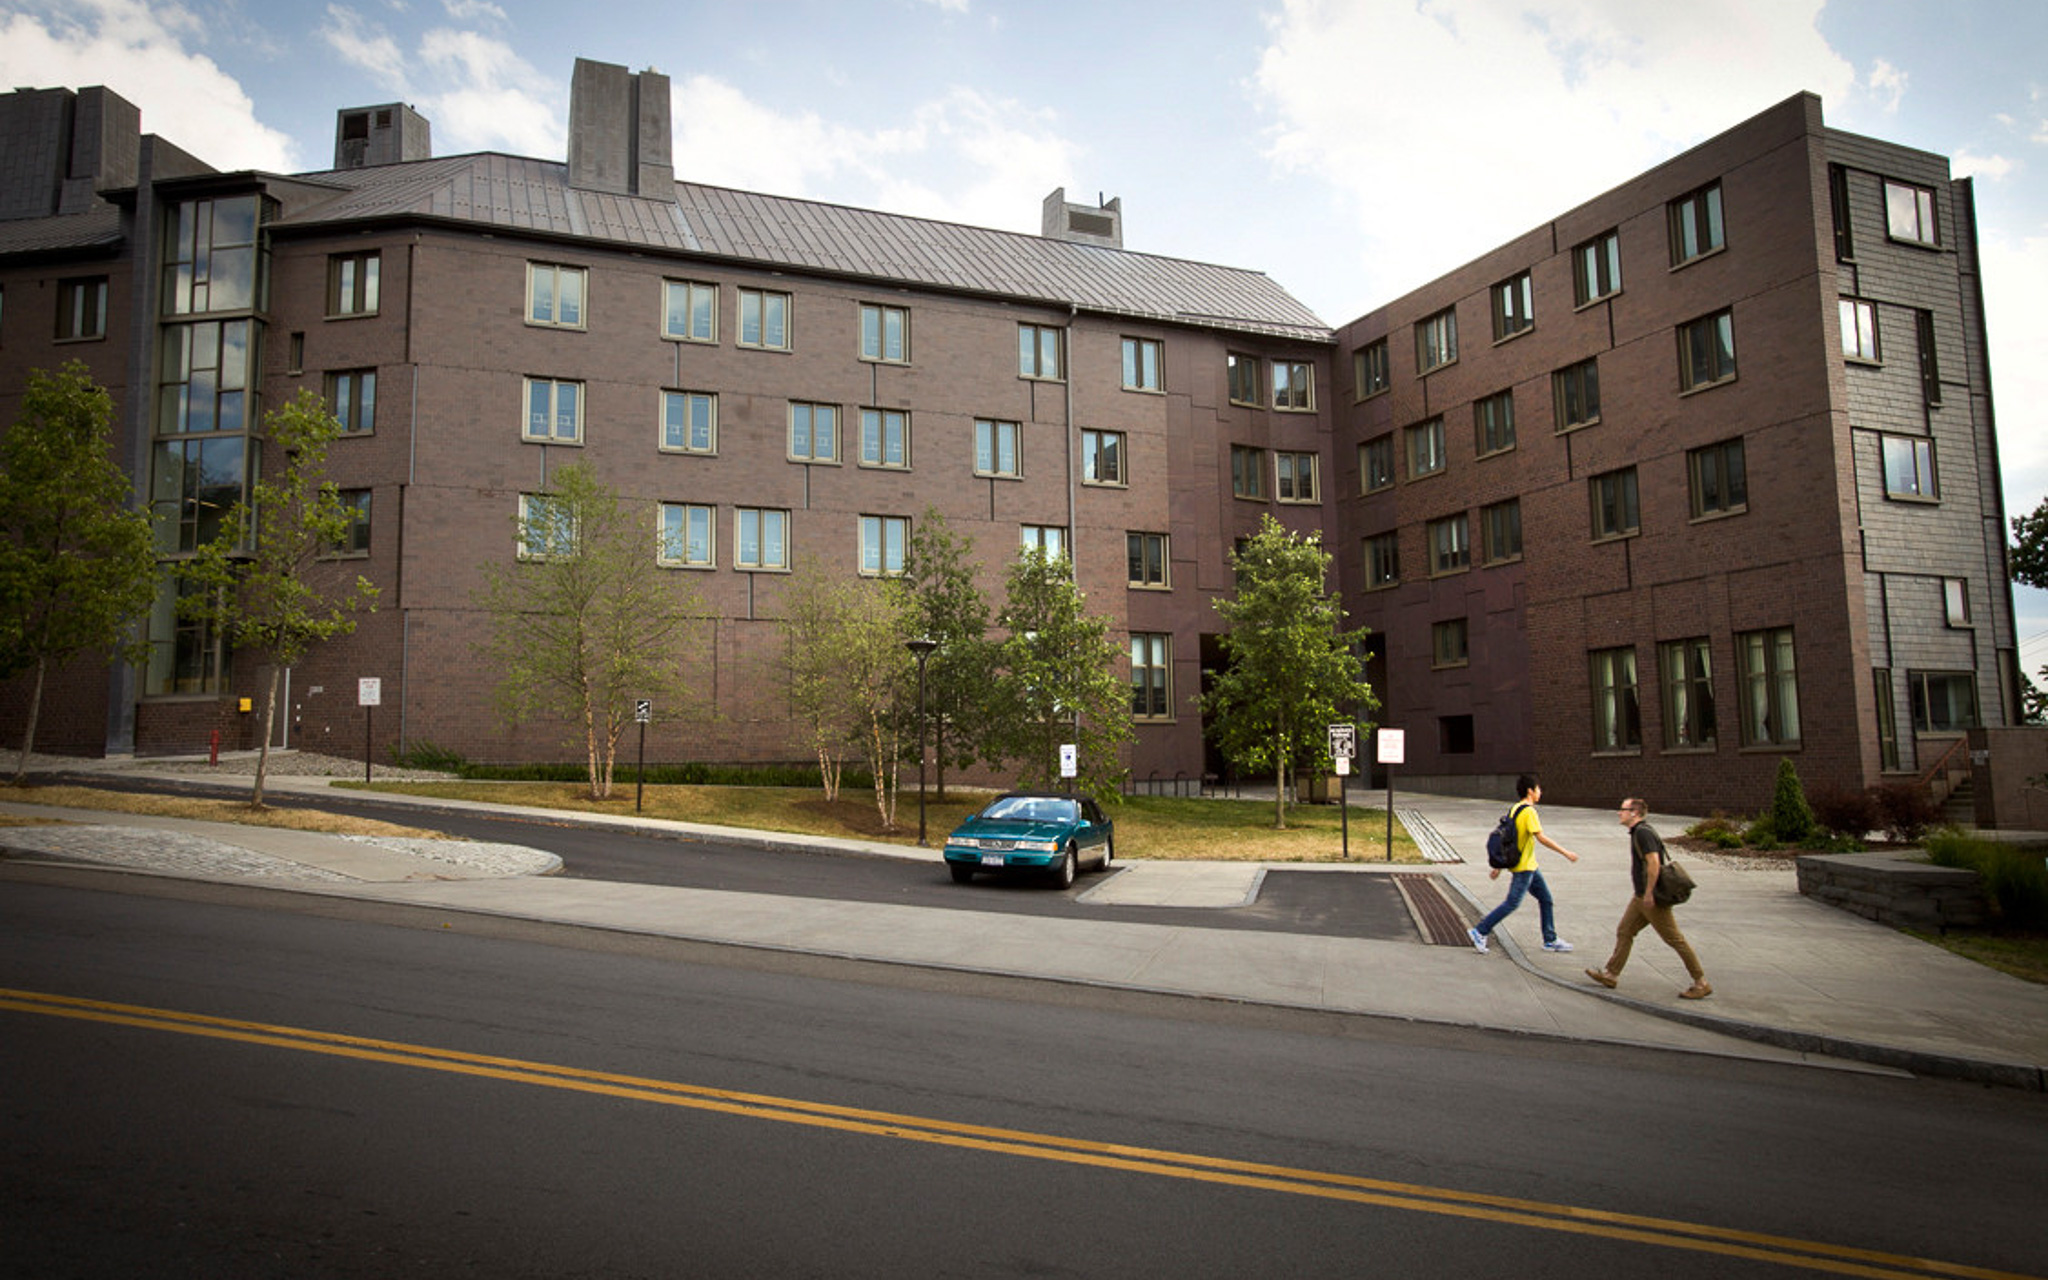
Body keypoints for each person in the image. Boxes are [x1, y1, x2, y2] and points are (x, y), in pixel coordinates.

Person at [1583, 798, 1711, 1000]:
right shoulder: (1639, 832)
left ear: (1634, 813)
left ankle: (1701, 982)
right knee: (1625, 931)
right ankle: (1611, 974)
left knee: (1675, 939)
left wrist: (1650, 893)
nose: (1619, 813)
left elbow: (1654, 863)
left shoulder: (1643, 833)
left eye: (1622, 809)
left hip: (1650, 899)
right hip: (1641, 897)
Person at [1468, 773, 1579, 955]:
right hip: (1524, 868)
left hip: (1530, 866)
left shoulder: (1515, 809)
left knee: (1546, 899)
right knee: (1512, 903)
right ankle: (1480, 931)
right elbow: (1541, 838)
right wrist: (1566, 853)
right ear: (1530, 791)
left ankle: (1550, 939)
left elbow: (1509, 840)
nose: (1540, 792)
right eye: (1538, 789)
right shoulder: (1529, 812)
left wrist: (1498, 867)